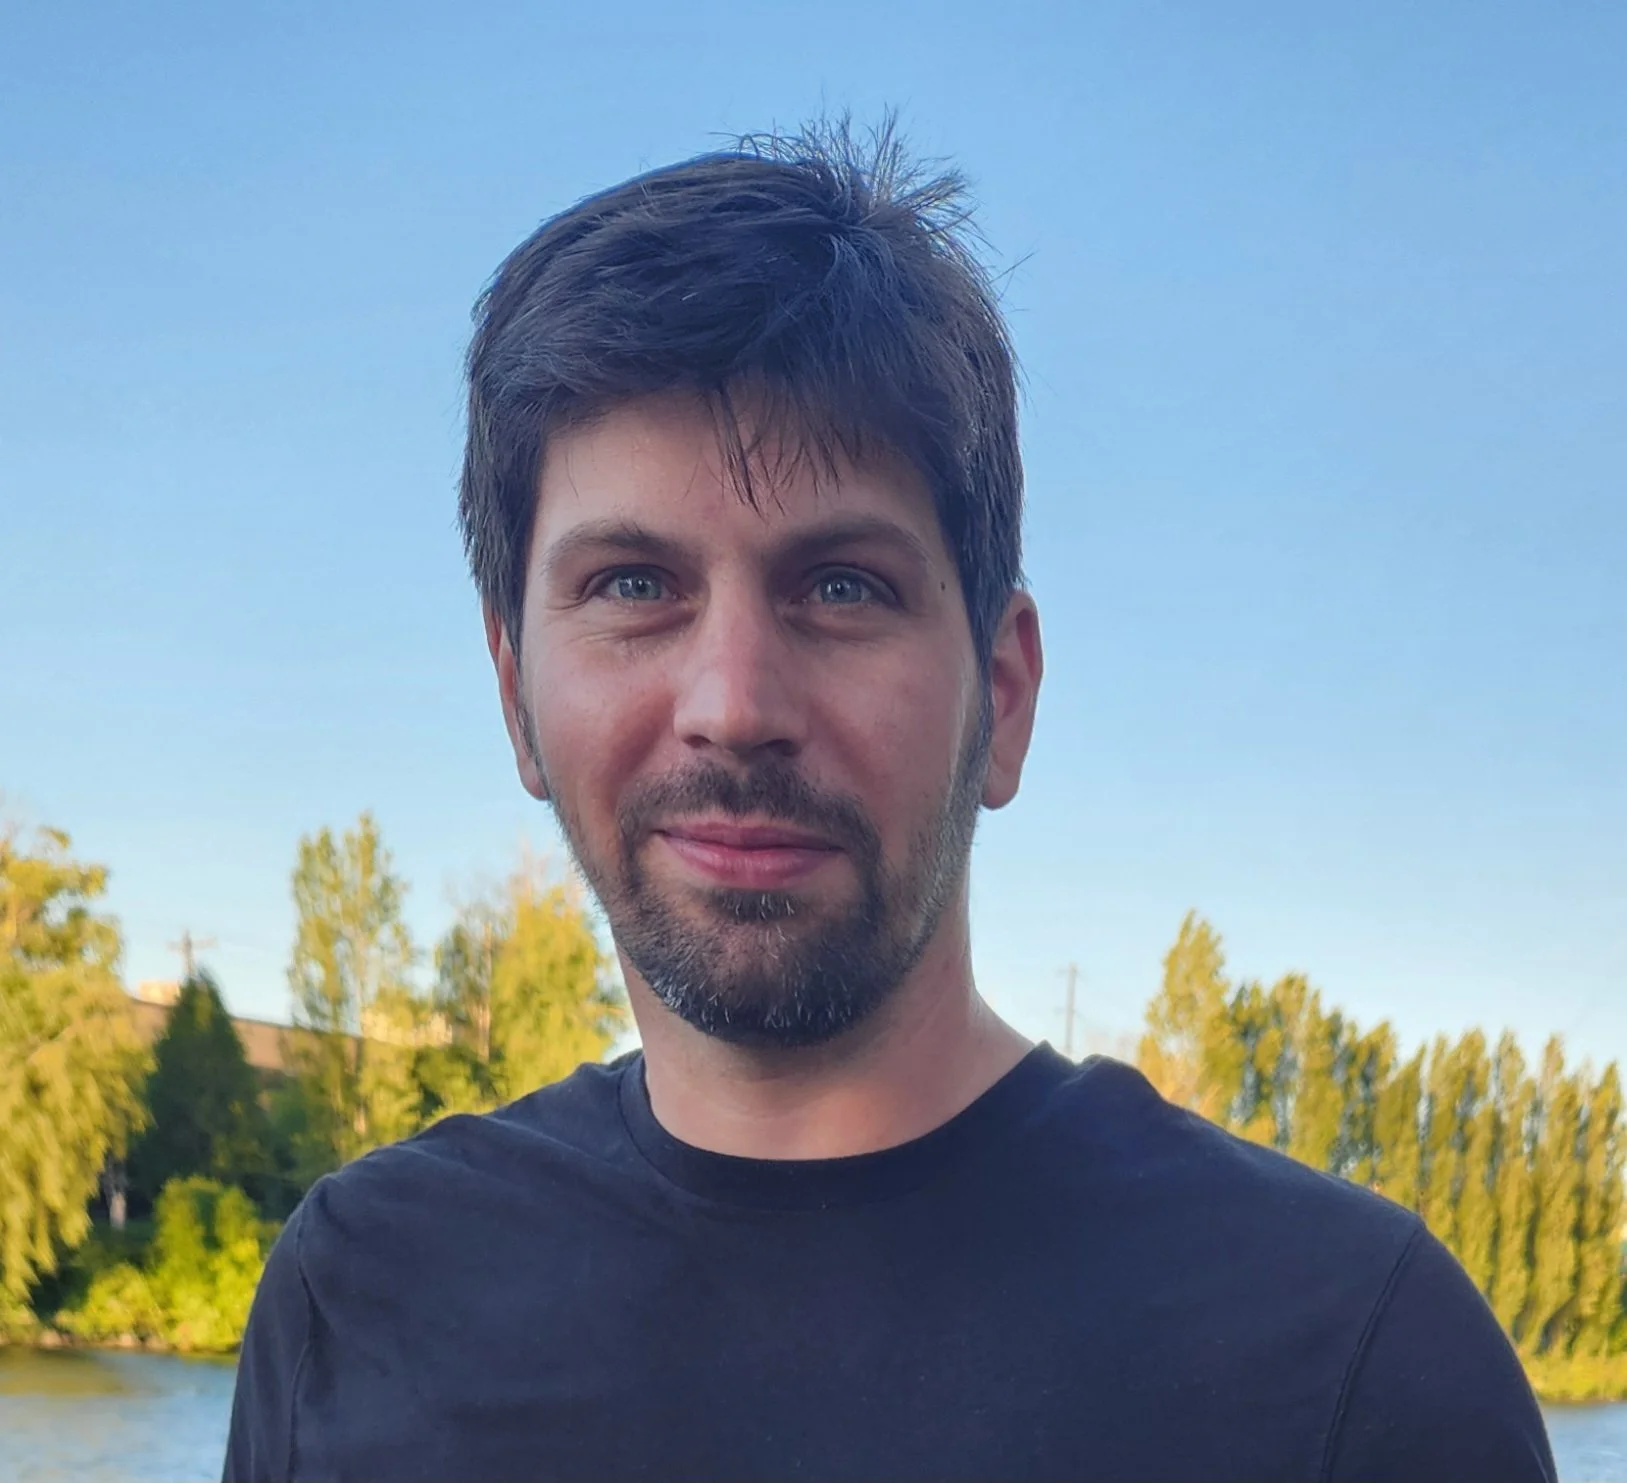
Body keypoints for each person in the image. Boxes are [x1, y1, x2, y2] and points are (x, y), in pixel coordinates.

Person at [223, 123, 1556, 1483]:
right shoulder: (360, 1297)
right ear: (514, 692)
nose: (735, 701)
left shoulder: (1356, 1363)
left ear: (1004, 694)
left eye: (841, 585)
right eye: (633, 585)